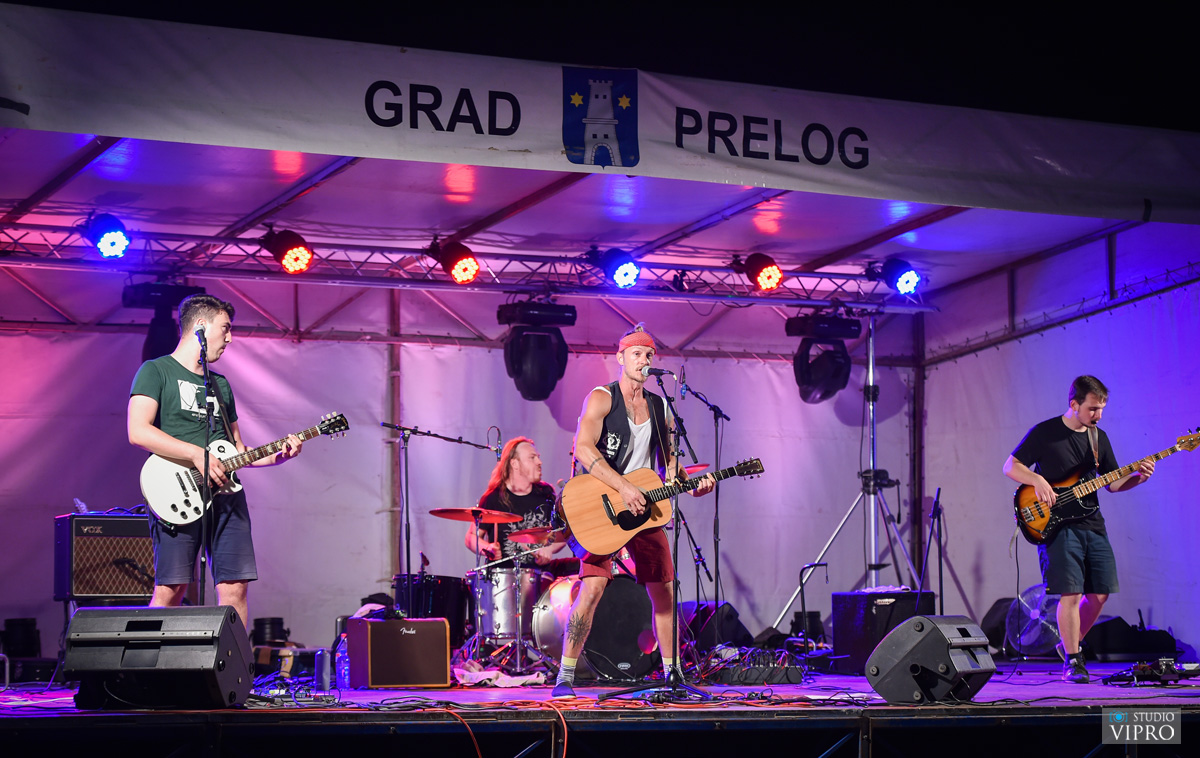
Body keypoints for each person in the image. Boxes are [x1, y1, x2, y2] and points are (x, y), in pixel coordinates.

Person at [551, 323, 714, 698]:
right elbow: (584, 448)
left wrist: (691, 483)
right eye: (637, 354)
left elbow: (669, 464)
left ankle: (673, 675)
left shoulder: (660, 407)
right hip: (604, 504)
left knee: (664, 591)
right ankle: (565, 675)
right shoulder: (601, 398)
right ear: (621, 358)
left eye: (649, 354)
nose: (644, 360)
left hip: (646, 508)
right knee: (592, 589)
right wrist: (623, 487)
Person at [128, 294, 302, 632]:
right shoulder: (156, 371)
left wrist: (278, 456)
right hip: (177, 491)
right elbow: (138, 431)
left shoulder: (220, 384)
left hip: (225, 496)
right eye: (226, 328)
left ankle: (232, 665)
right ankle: (147, 664)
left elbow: (238, 449)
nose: (230, 338)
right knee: (171, 589)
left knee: (235, 587)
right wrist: (196, 454)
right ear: (201, 326)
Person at [1003, 375, 1153, 683]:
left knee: (1100, 594)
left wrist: (1139, 478)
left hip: (1092, 523)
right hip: (1056, 525)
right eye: (1093, 409)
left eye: (1102, 409)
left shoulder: (1098, 438)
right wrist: (1037, 480)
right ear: (1074, 404)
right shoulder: (1045, 432)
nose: (1098, 415)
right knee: (1070, 593)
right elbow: (1011, 466)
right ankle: (1074, 659)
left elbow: (1112, 484)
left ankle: (1067, 644)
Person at [464, 437, 575, 576]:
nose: (539, 462)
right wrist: (487, 548)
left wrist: (549, 549)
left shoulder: (546, 494)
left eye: (538, 457)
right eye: (532, 458)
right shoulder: (493, 498)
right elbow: (470, 537)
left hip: (539, 575)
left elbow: (564, 532)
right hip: (503, 578)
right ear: (515, 464)